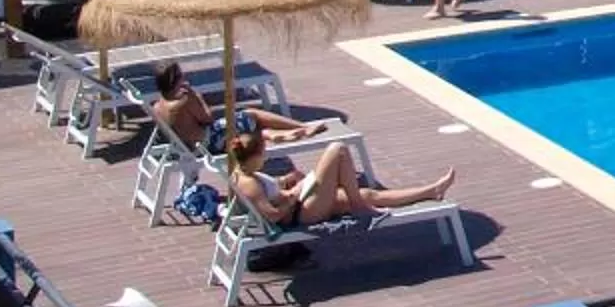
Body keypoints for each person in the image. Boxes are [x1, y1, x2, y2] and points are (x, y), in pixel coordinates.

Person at [225, 124, 451, 230]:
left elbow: (271, 194)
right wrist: (293, 197)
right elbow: (273, 216)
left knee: (367, 194)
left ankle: (432, 191)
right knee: (337, 150)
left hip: (300, 204)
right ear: (252, 157)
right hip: (300, 214)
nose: (265, 157)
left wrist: (286, 182)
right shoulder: (248, 183)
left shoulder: (245, 172)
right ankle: (358, 206)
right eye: (262, 154)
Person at [150, 59, 323, 153]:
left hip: (188, 147)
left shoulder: (158, 106)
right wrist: (197, 95)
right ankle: (303, 126)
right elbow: (208, 118)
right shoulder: (185, 100)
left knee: (247, 125)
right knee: (252, 114)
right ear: (176, 79)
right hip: (211, 143)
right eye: (181, 75)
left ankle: (272, 135)